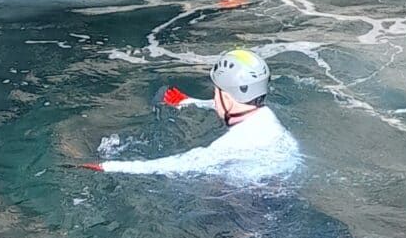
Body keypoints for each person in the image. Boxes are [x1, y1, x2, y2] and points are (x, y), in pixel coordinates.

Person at [83, 48, 300, 182]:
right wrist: (189, 102)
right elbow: (224, 106)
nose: (214, 99)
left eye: (216, 92)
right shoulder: (266, 119)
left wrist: (108, 166)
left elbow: (177, 165)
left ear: (229, 96)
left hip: (251, 206)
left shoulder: (234, 144)